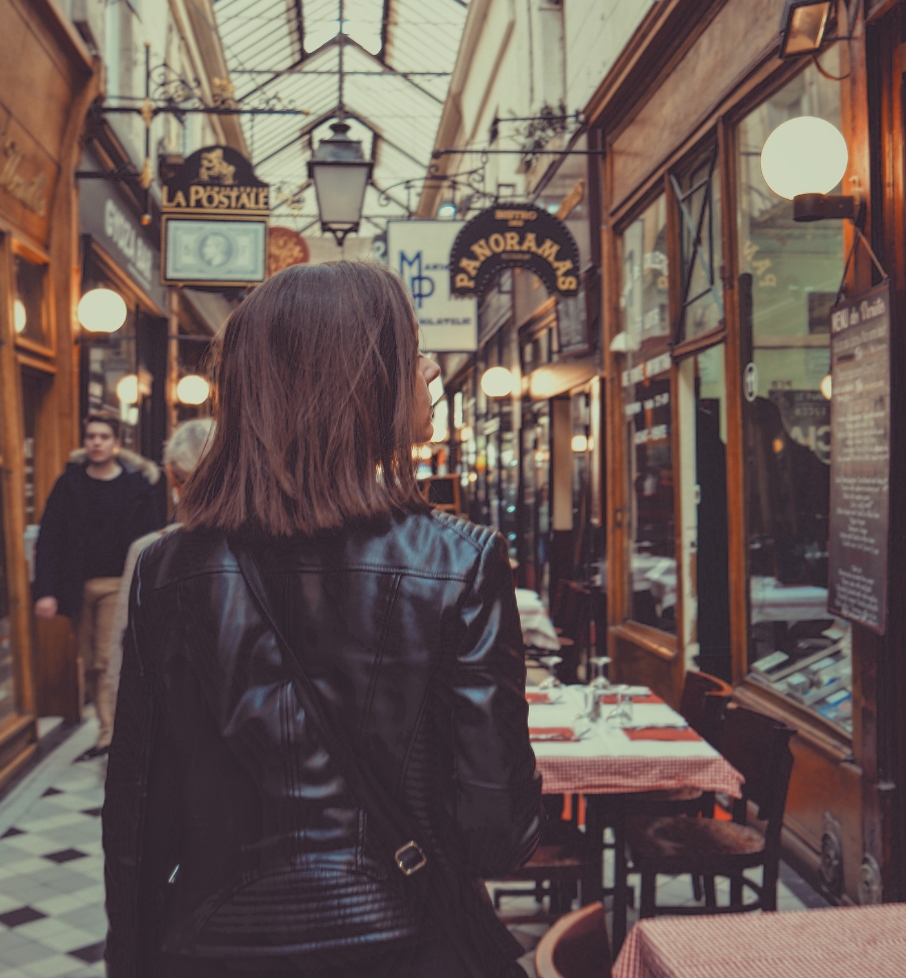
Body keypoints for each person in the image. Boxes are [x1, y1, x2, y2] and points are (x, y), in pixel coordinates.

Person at [103, 262, 541, 978]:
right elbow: (496, 837)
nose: (430, 369)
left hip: (211, 947)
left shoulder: (166, 569)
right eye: (410, 351)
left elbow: (137, 820)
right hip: (405, 946)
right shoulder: (460, 561)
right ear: (359, 383)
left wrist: (130, 960)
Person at [87, 417, 216, 759]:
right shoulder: (265, 546)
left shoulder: (149, 552)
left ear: (172, 474)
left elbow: (123, 651)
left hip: (168, 735)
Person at [32, 413, 161, 748]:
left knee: (106, 656)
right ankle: (107, 724)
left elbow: (151, 539)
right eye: (91, 436)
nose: (97, 442)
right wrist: (44, 591)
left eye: (104, 436)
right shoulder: (69, 484)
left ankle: (110, 733)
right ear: (85, 442)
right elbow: (50, 538)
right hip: (77, 586)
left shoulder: (136, 486)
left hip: (117, 584)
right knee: (90, 661)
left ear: (116, 443)